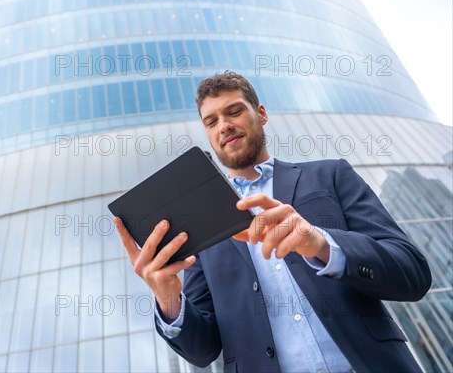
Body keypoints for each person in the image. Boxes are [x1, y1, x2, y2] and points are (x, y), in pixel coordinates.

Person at [114, 71, 431, 372]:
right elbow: (203, 350)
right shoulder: (201, 222)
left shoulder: (330, 174)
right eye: (211, 122)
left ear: (261, 114)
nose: (224, 126)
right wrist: (168, 298)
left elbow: (412, 272)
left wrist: (322, 244)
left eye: (234, 111)